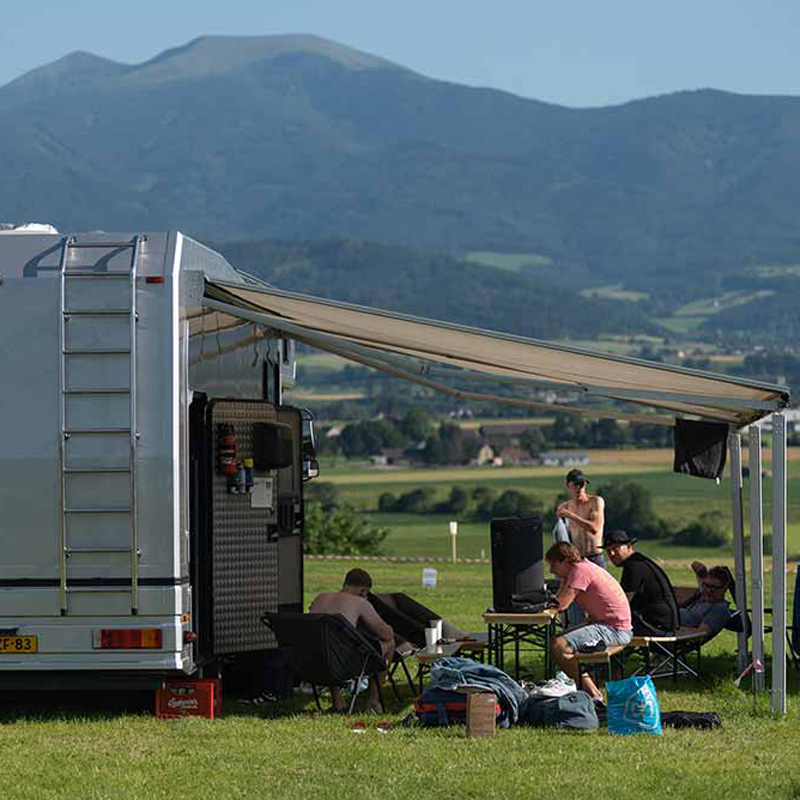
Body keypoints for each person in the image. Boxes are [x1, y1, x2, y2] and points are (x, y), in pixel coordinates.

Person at [546, 541, 632, 705]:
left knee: (558, 645)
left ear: (565, 560)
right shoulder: (581, 567)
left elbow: (561, 604)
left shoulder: (580, 571)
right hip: (612, 626)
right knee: (558, 640)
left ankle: (591, 693)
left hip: (615, 630)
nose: (551, 570)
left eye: (553, 564)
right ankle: (583, 687)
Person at [309, 568, 395, 713]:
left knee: (328, 643)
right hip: (343, 665)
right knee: (390, 644)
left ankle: (337, 701)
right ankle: (373, 702)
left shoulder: (320, 597)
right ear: (363, 591)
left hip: (313, 663)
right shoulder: (360, 602)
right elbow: (387, 634)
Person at [602, 530, 679, 635]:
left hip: (657, 625)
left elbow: (623, 602)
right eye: (608, 551)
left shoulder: (634, 566)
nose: (611, 554)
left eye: (616, 548)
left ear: (629, 546)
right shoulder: (638, 561)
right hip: (664, 622)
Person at [556, 469, 606, 568]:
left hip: (594, 557)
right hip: (577, 558)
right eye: (575, 485)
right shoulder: (565, 506)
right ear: (568, 485)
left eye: (581, 484)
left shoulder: (595, 501)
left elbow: (594, 528)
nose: (579, 488)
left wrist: (571, 515)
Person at [678, 562, 733, 637]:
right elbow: (695, 564)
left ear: (724, 589)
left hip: (668, 630)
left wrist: (672, 628)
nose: (709, 590)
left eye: (714, 588)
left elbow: (700, 633)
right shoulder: (704, 595)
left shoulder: (719, 608)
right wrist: (702, 571)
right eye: (707, 586)